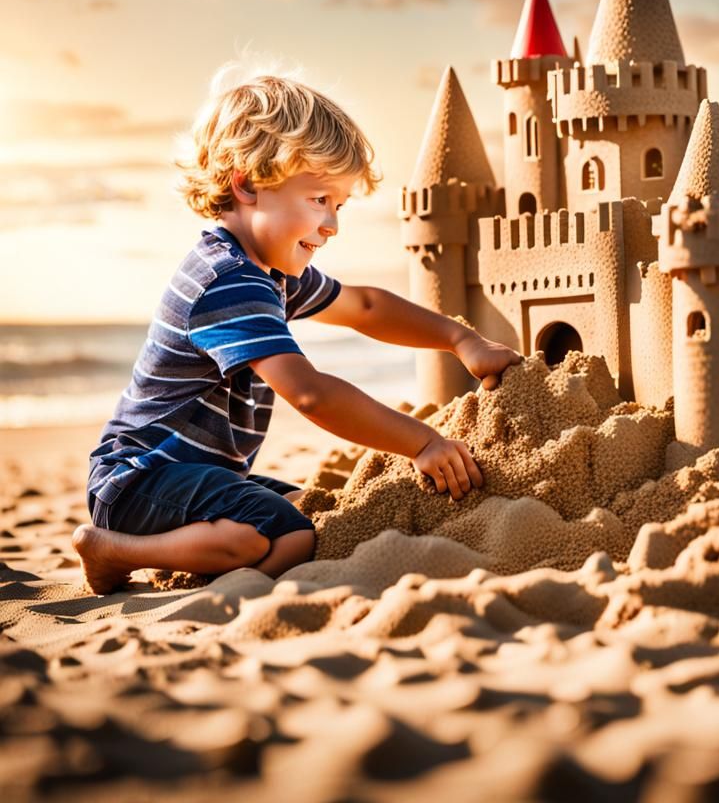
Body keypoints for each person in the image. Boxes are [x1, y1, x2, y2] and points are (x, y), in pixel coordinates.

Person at [73, 71, 521, 595]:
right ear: (247, 185)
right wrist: (421, 442)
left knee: (306, 509)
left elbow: (365, 306)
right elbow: (310, 394)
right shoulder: (226, 281)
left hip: (199, 476)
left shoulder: (273, 275)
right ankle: (113, 550)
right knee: (285, 535)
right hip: (138, 480)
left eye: (339, 205)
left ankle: (201, 556)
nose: (332, 224)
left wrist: (461, 339)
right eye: (318, 198)